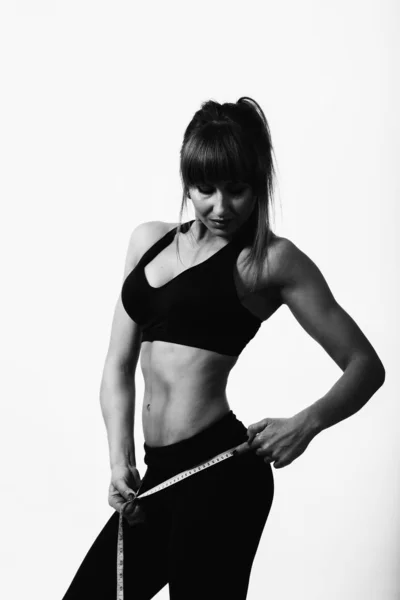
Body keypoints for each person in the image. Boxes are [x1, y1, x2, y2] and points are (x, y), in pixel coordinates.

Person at [61, 97, 385, 600]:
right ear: (186, 183)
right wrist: (119, 458)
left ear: (259, 185)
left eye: (237, 190)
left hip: (220, 473)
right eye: (204, 189)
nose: (220, 207)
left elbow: (366, 366)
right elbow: (117, 364)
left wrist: (306, 423)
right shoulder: (147, 241)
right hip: (156, 476)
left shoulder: (269, 262)